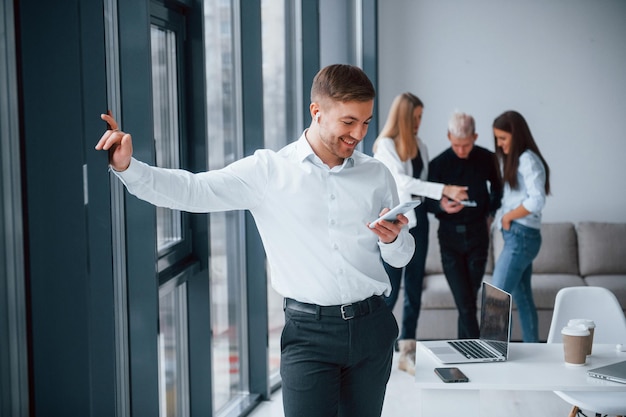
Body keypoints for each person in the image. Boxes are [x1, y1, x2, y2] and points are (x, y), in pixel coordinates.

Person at [95, 64, 415, 417]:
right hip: (309, 335)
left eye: (366, 122)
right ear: (317, 111)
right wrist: (129, 168)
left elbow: (401, 257)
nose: (359, 133)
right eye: (349, 122)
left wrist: (393, 240)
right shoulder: (269, 171)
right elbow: (194, 190)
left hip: (372, 328)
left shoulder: (376, 174)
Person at [372, 92, 468, 374]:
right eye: (416, 117)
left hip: (420, 226)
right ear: (403, 117)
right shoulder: (385, 146)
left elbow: (422, 188)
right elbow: (401, 181)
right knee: (388, 292)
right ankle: (377, 351)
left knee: (414, 292)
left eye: (421, 118)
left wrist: (443, 202)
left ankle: (407, 353)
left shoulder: (421, 147)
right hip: (395, 227)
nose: (419, 123)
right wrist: (444, 189)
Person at [426, 111, 502, 339]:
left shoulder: (487, 158)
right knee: (466, 302)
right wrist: (441, 206)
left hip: (479, 235)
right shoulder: (438, 164)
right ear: (449, 136)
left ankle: (465, 350)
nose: (461, 150)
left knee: (468, 299)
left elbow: (498, 188)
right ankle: (480, 350)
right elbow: (425, 201)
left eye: (466, 145)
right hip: (449, 239)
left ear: (475, 137)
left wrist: (490, 212)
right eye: (457, 145)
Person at [491, 110, 550, 343]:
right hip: (519, 236)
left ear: (517, 135)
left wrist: (508, 218)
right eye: (497, 139)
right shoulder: (517, 160)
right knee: (523, 298)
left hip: (521, 236)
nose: (499, 144)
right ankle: (534, 348)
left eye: (503, 139)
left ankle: (491, 352)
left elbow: (537, 200)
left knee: (496, 295)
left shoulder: (527, 159)